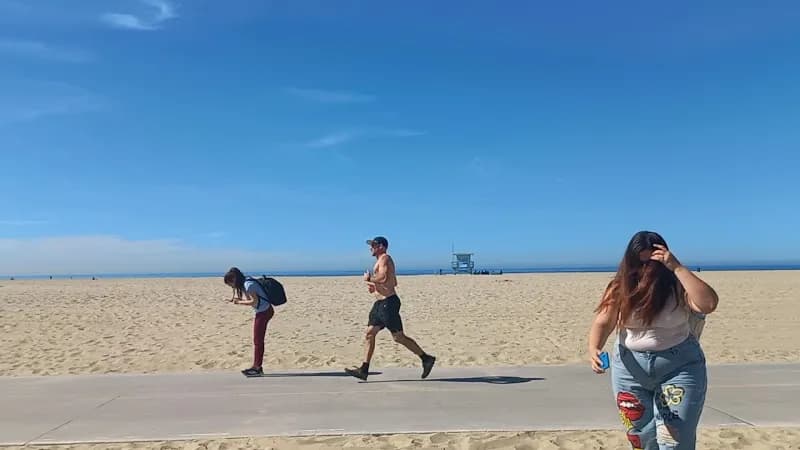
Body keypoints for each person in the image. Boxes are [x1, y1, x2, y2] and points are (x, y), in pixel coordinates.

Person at [587, 231, 719, 450]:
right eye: (640, 264)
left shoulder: (678, 285)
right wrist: (594, 348)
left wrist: (677, 267)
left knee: (674, 440)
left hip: (679, 366)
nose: (646, 270)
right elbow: (604, 322)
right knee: (641, 439)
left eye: (652, 263)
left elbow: (709, 304)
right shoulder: (620, 287)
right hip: (630, 368)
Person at [345, 236, 436, 381]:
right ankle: (364, 370)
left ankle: (426, 358)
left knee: (398, 337)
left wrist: (369, 279)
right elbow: (393, 281)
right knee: (369, 333)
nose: (371, 248)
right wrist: (374, 288)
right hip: (380, 304)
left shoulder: (385, 259)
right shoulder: (380, 261)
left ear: (381, 246)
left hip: (389, 303)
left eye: (373, 245)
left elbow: (383, 278)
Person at [224, 267, 274, 377]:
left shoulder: (248, 285)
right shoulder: (246, 281)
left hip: (264, 312)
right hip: (264, 311)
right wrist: (238, 300)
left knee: (258, 340)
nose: (232, 287)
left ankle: (257, 368)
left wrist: (239, 302)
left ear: (234, 280)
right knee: (258, 340)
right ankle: (256, 366)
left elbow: (254, 302)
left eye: (230, 284)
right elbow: (252, 300)